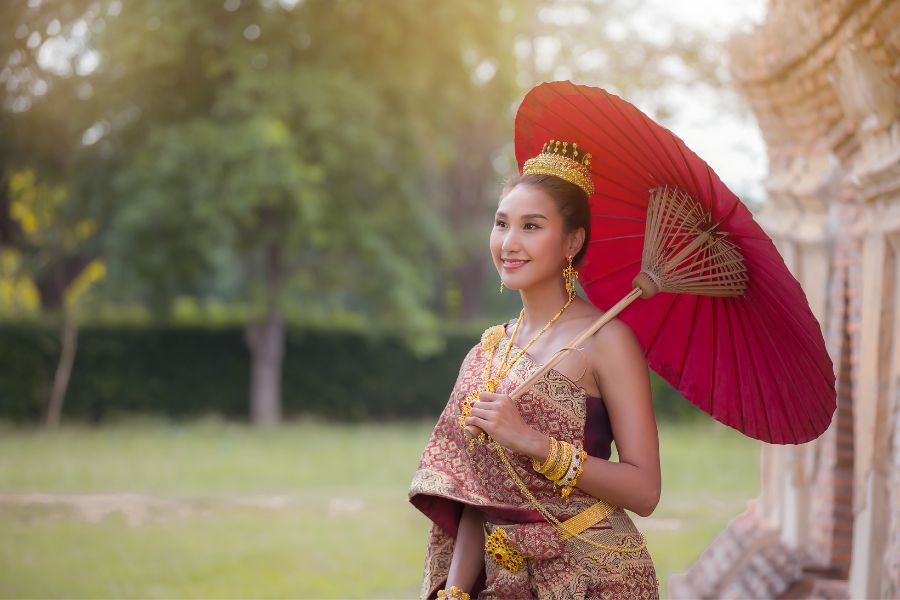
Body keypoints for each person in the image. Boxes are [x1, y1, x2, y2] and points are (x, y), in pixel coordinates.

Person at [408, 139, 661, 599]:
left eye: (531, 226)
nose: (509, 243)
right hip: (502, 579)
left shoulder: (608, 341)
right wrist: (457, 591)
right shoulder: (488, 351)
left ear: (572, 241)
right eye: (502, 223)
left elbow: (645, 490)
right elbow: (476, 495)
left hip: (595, 575)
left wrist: (534, 443)